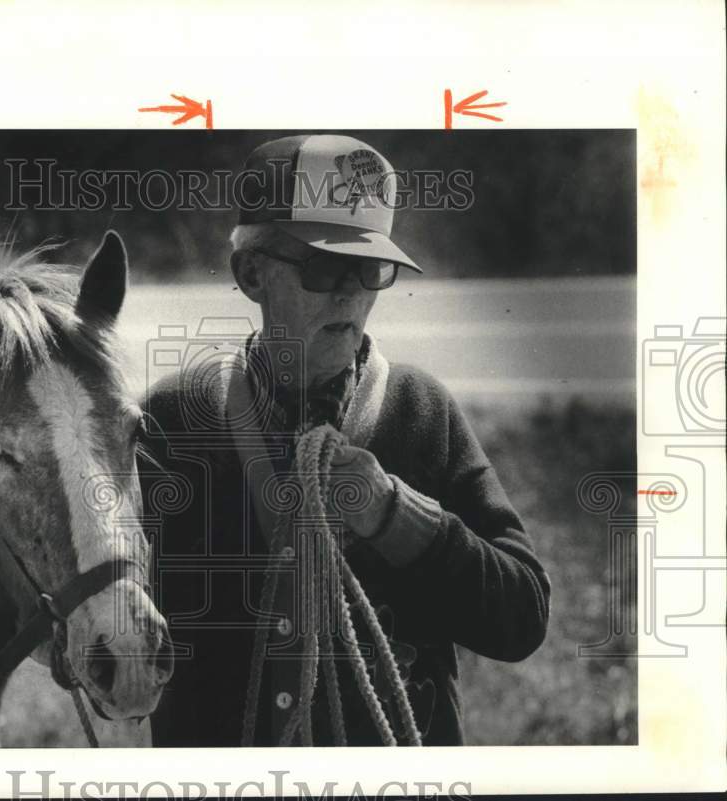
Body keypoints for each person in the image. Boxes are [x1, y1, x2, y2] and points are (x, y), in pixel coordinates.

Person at [139, 134, 550, 746]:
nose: (351, 291)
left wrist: (399, 519)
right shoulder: (174, 422)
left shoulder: (421, 410)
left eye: (371, 269)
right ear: (251, 273)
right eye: (324, 265)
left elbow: (522, 619)